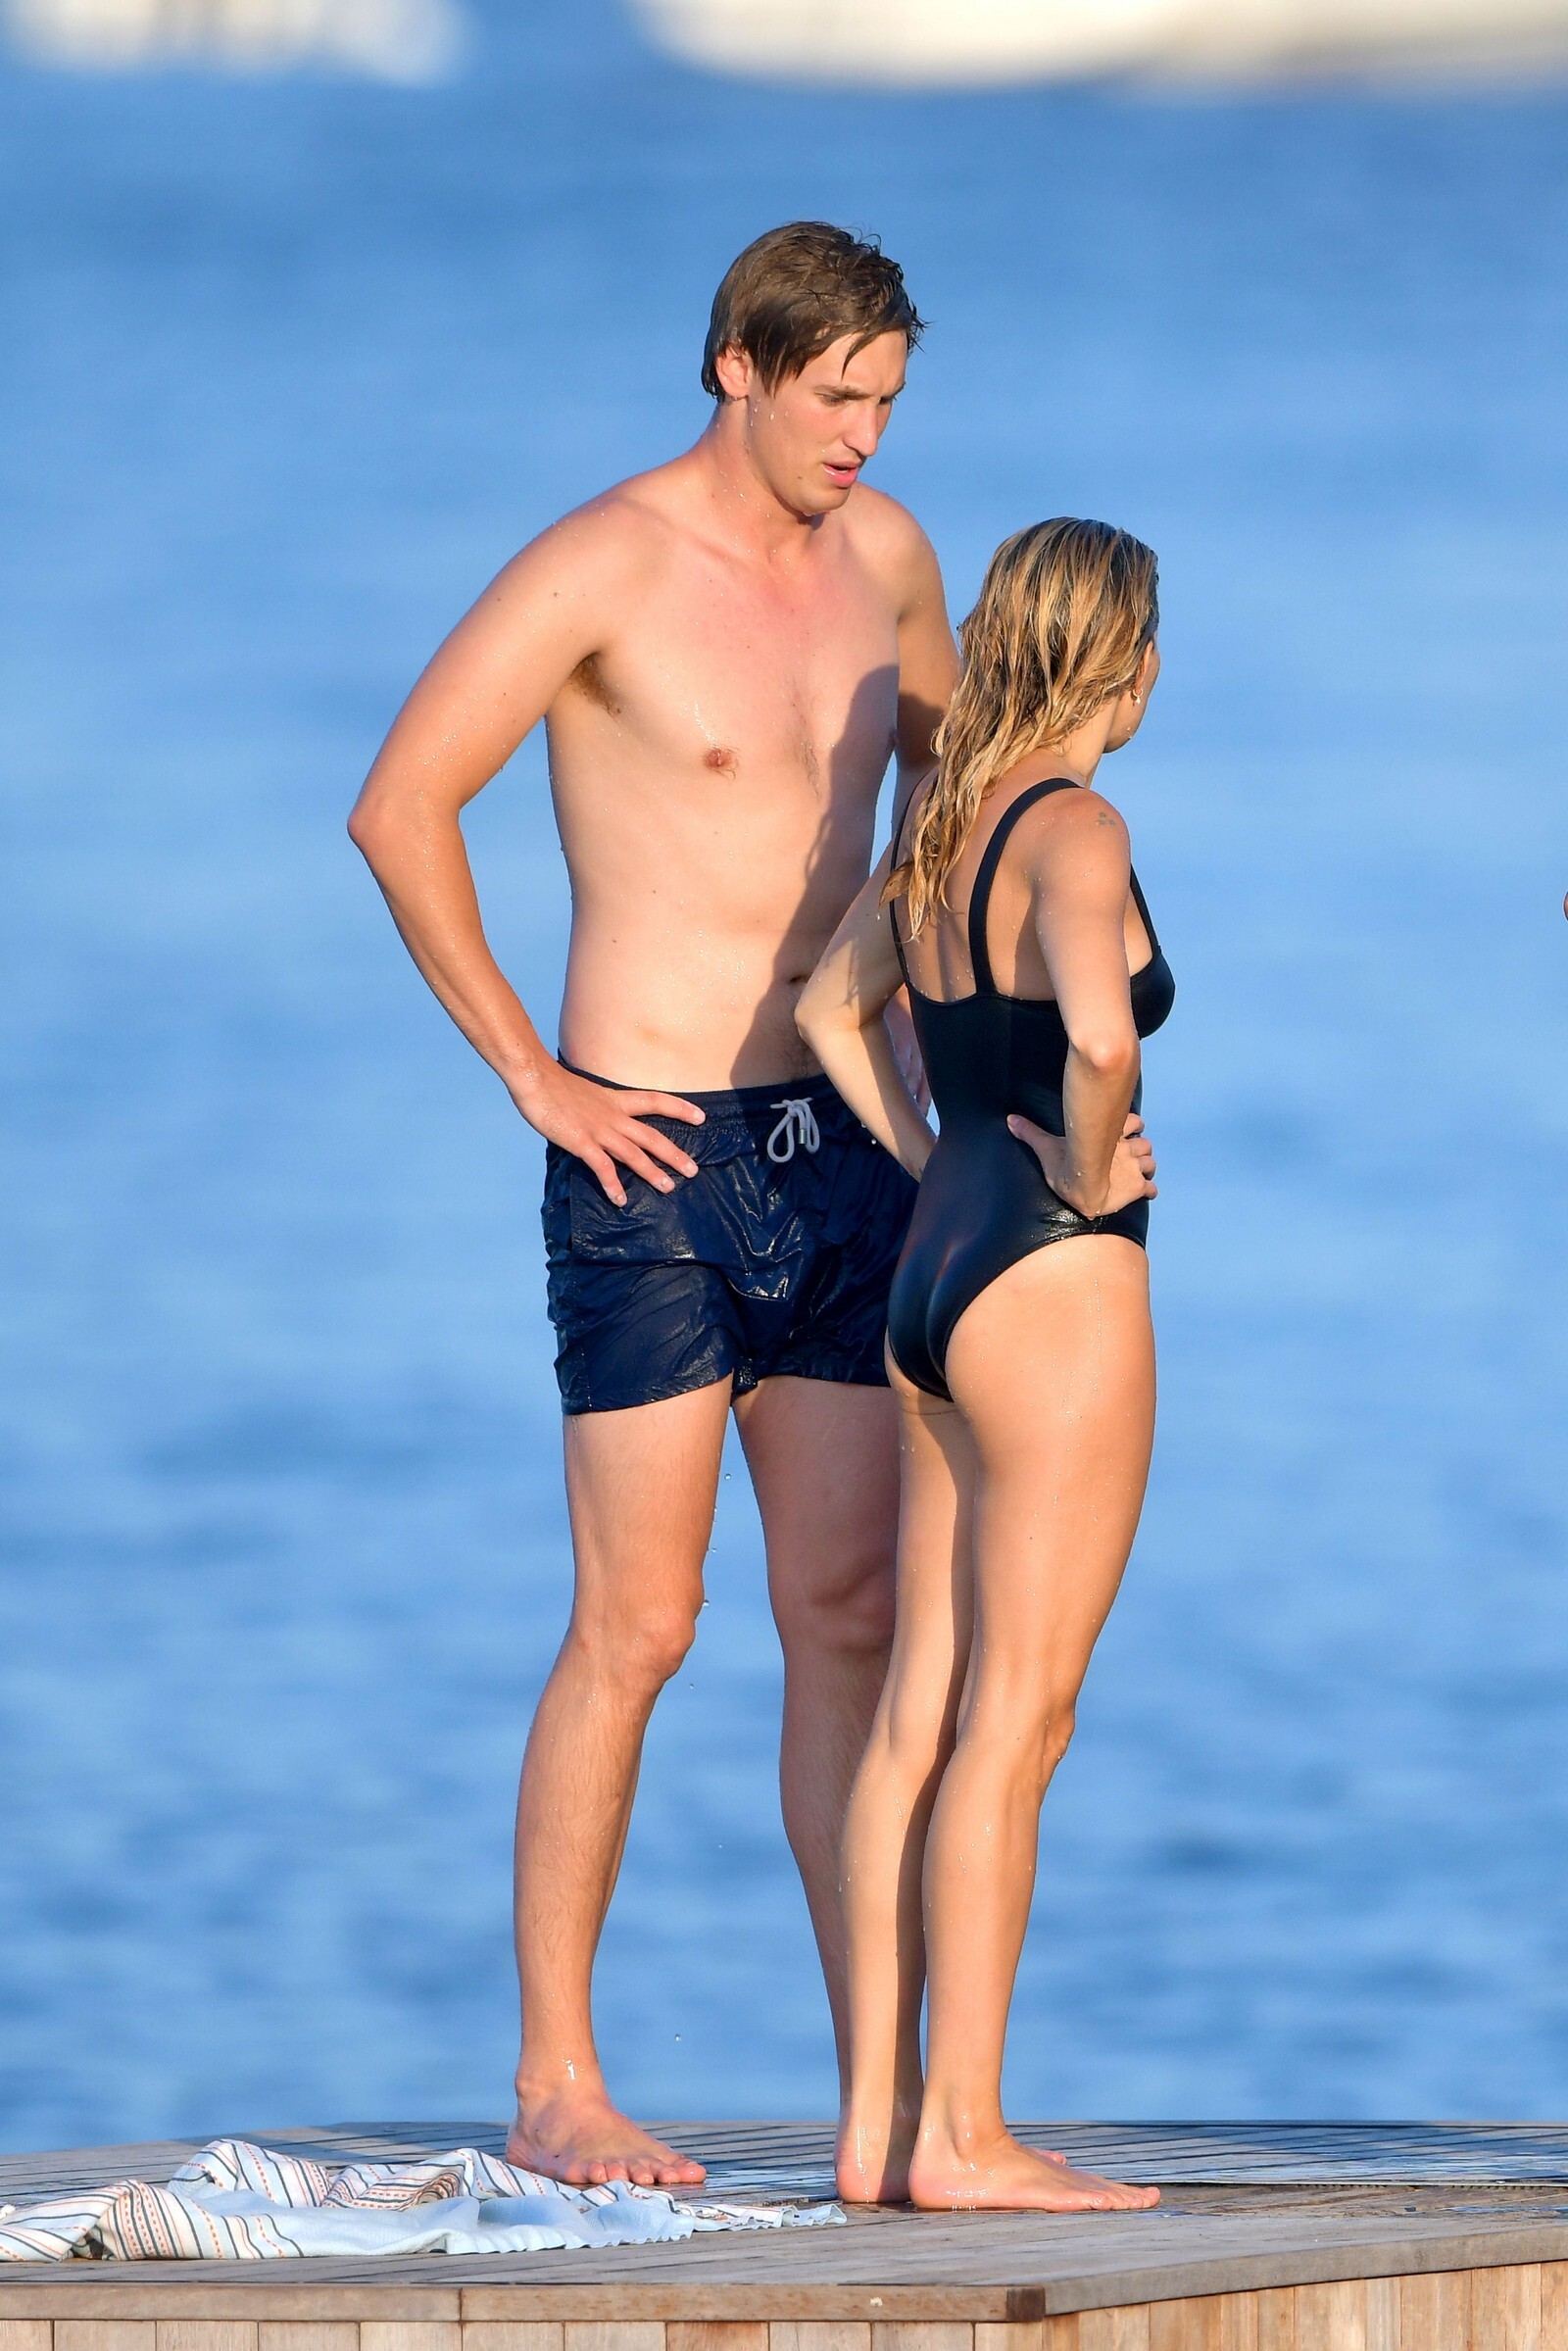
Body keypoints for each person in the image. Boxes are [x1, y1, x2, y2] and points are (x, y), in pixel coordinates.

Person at [347, 222, 958, 2187]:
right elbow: (399, 803)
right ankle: (557, 2083)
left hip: (843, 1146)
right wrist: (534, 1076)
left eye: (887, 399)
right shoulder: (601, 565)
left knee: (849, 1614)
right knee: (640, 1622)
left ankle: (885, 2097)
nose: (863, 435)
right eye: (836, 396)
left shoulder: (887, 560)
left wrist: (960, 1022)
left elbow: (959, 796)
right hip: (650, 1159)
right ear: (737, 369)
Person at [796, 517, 1172, 2212]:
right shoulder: (1077, 828)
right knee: (1020, 1719)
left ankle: (876, 2128)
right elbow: (1096, 1035)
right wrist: (1085, 1172)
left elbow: (827, 1011)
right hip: (1051, 1291)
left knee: (916, 1720)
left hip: (931, 1284)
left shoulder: (940, 823)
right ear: (1128, 662)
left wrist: (940, 1156)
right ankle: (967, 2135)